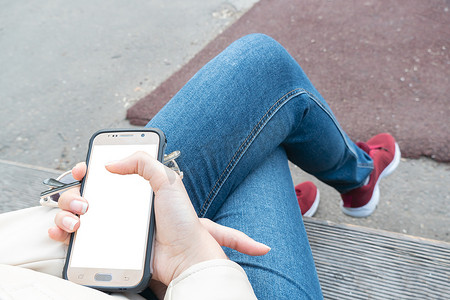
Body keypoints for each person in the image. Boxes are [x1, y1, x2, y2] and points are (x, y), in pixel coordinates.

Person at [0, 34, 400, 299]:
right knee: (265, 77)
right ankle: (359, 177)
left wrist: (52, 209)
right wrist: (195, 264)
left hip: (57, 261)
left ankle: (283, 208)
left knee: (249, 125)